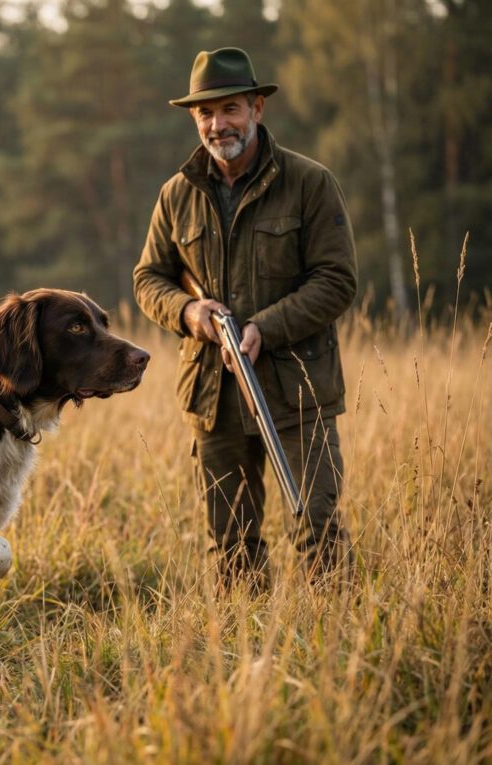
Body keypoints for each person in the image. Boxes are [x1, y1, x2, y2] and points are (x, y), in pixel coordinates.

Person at [132, 47, 357, 591]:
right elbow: (148, 280)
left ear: (257, 108)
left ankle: (337, 654)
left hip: (298, 389)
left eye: (229, 108)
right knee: (231, 539)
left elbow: (336, 281)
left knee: (317, 526)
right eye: (205, 114)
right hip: (213, 394)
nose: (217, 124)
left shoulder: (310, 182)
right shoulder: (176, 194)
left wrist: (264, 328)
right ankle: (243, 653)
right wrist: (189, 312)